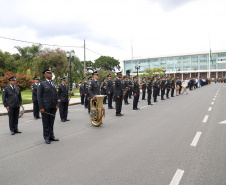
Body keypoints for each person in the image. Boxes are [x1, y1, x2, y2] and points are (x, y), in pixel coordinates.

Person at [37, 67, 59, 144]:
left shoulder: (53, 82)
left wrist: (57, 104)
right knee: (46, 123)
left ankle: (51, 136)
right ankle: (46, 137)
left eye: (51, 73)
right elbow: (39, 96)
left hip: (53, 106)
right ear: (45, 74)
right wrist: (41, 107)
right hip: (45, 106)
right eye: (49, 73)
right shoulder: (41, 83)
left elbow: (56, 94)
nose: (51, 74)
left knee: (51, 122)